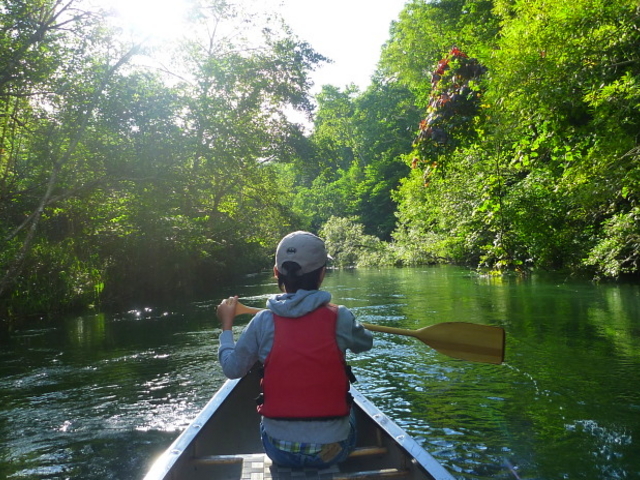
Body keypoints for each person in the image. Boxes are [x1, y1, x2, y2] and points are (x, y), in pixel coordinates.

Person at [216, 231, 373, 469]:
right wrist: (350, 323)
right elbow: (365, 344)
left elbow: (232, 369)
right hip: (332, 451)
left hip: (279, 451)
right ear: (322, 273)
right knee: (353, 408)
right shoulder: (341, 316)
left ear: (276, 272)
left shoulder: (262, 321)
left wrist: (226, 325)